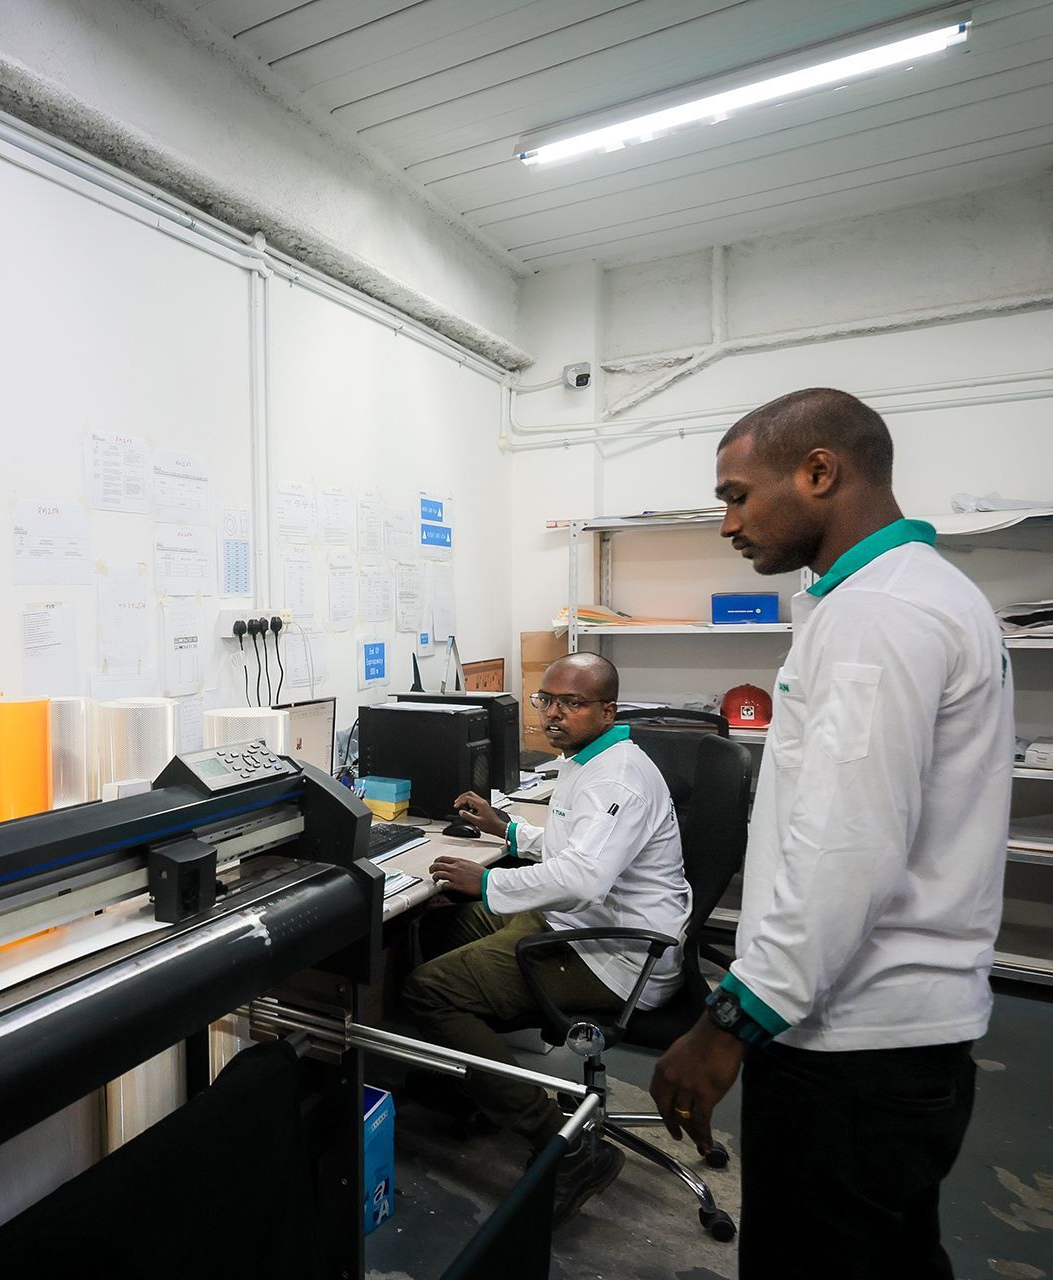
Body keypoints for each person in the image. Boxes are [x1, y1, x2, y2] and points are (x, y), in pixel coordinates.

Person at [651, 388, 1013, 1278]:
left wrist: (729, 1022)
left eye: (737, 494)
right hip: (903, 1034)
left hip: (852, 1045)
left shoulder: (877, 615)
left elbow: (843, 851)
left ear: (820, 472)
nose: (728, 522)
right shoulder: (907, 595)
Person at [404, 651, 691, 1224]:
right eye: (546, 700)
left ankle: (565, 1147)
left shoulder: (618, 776)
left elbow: (584, 878)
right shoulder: (589, 758)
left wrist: (487, 880)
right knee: (439, 919)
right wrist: (508, 830)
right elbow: (575, 850)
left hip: (617, 954)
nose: (553, 714)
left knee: (428, 991)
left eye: (572, 703)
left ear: (608, 709)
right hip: (579, 925)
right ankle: (480, 1077)